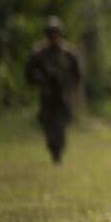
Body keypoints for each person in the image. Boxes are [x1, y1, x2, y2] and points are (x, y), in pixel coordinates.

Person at [25, 16, 81, 164]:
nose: (53, 37)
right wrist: (40, 78)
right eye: (50, 34)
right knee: (47, 122)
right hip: (47, 94)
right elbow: (29, 74)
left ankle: (58, 149)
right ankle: (53, 147)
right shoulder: (39, 53)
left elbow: (77, 74)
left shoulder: (69, 53)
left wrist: (71, 86)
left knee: (61, 122)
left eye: (55, 34)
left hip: (62, 94)